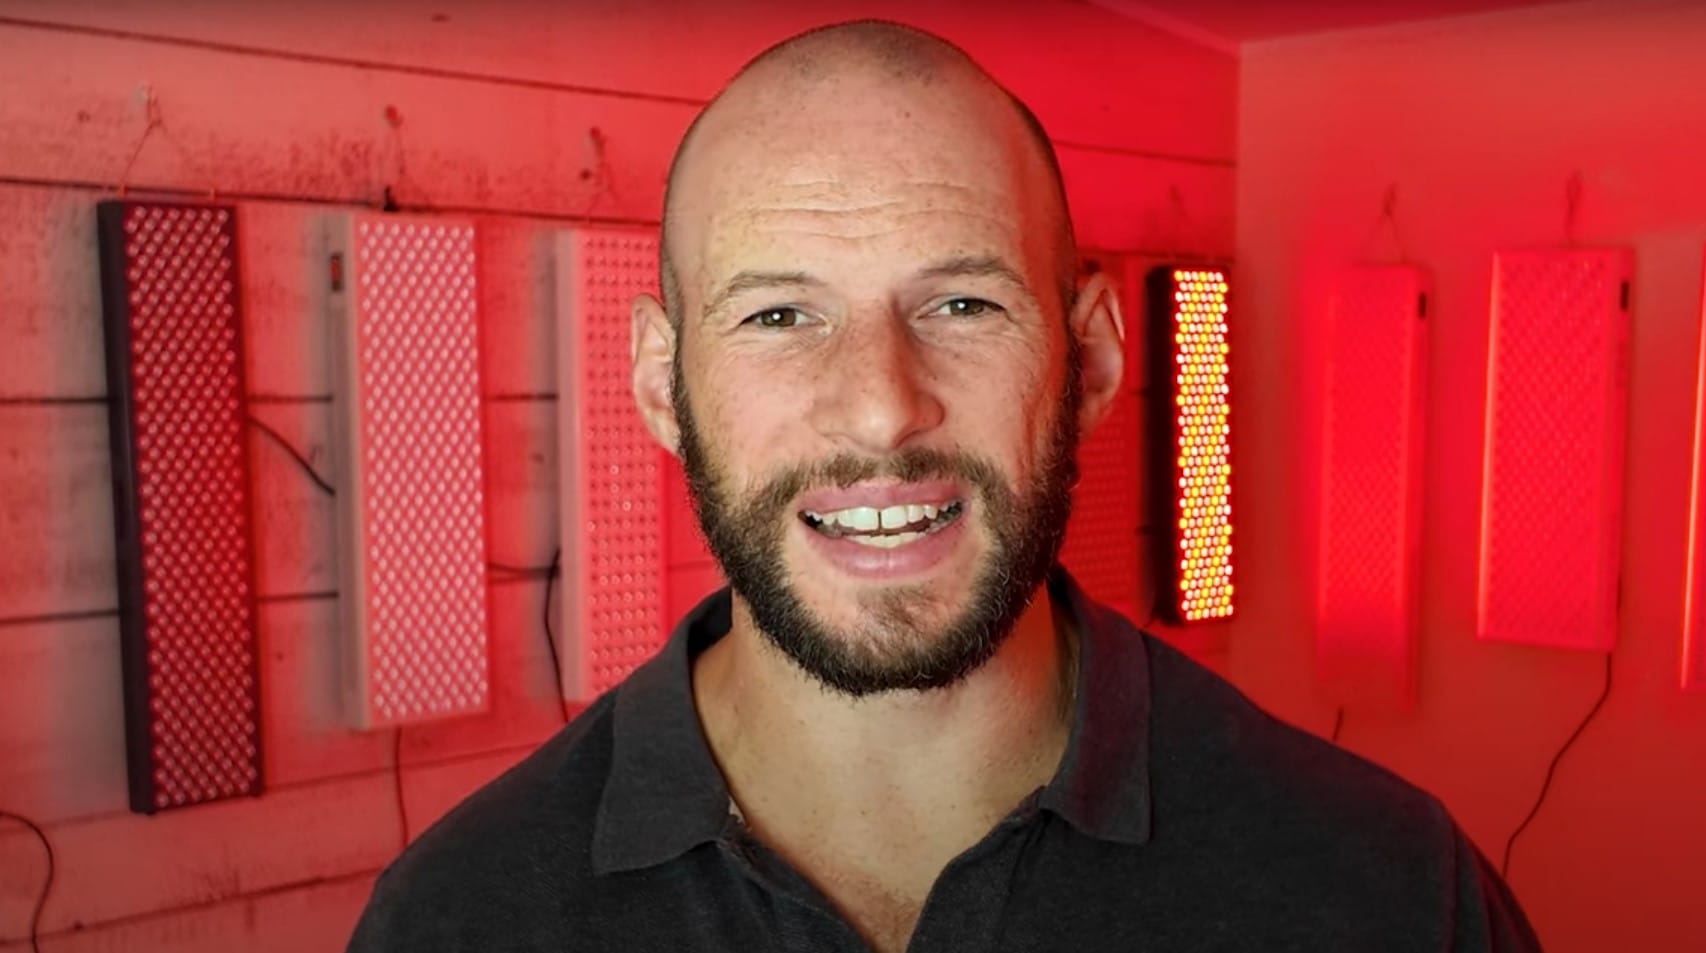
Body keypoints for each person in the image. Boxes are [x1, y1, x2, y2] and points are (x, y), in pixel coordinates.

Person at [347, 19, 1540, 953]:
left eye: (962, 303)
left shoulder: (1389, 891)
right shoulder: (455, 918)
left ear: (1092, 358)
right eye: (779, 315)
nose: (881, 406)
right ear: (663, 385)